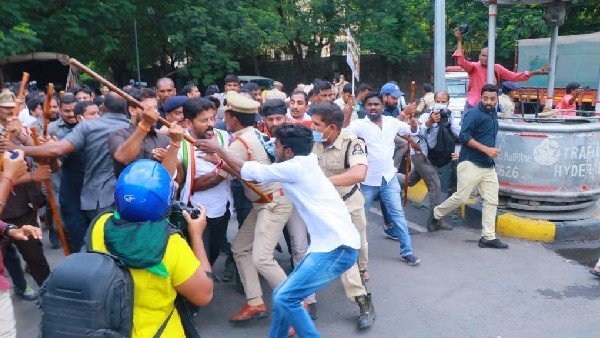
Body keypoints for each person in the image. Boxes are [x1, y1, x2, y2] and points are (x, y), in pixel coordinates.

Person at [196, 124, 361, 338]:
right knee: (283, 297)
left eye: (278, 145)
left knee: (285, 298)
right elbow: (251, 175)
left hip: (337, 248)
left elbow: (251, 171)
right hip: (332, 246)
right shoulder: (306, 160)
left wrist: (220, 150)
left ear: (289, 151)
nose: (273, 147)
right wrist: (221, 158)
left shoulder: (295, 167)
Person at [87, 159, 213, 337]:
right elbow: (203, 295)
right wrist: (196, 236)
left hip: (108, 329)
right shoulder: (170, 244)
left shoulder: (99, 225)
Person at [215, 91, 293, 322]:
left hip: (272, 203)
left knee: (262, 259)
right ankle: (255, 303)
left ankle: (296, 306)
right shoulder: (255, 133)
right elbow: (241, 172)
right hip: (266, 202)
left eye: (226, 114)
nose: (225, 118)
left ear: (233, 118)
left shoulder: (239, 142)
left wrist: (215, 159)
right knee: (240, 248)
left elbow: (220, 175)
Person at [311, 102, 376, 329]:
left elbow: (359, 173)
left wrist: (324, 182)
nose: (313, 127)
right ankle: (363, 301)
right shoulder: (313, 143)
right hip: (329, 210)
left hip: (350, 203)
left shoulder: (353, 143)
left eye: (316, 124)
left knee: (361, 249)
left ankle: (362, 269)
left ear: (331, 127)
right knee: (345, 255)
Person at [18, 92, 131, 220]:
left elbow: (56, 150)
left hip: (106, 196)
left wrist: (18, 148)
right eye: (67, 111)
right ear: (79, 117)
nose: (70, 114)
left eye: (96, 113)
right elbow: (55, 159)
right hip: (73, 193)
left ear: (103, 109)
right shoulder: (56, 129)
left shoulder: (131, 129)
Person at [429, 84, 509, 249]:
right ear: (481, 97)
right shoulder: (474, 114)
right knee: (462, 197)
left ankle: (488, 237)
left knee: (492, 200)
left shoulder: (494, 113)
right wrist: (486, 149)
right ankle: (436, 213)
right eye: (485, 98)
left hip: (487, 166)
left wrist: (489, 153)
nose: (488, 102)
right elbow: (464, 136)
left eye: (492, 99)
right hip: (470, 163)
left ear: (497, 99)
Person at [347, 92, 421, 266]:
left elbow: (412, 130)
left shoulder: (391, 122)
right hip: (367, 181)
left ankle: (407, 251)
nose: (373, 107)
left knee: (398, 215)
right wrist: (347, 112)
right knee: (359, 218)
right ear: (365, 108)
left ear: (381, 106)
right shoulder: (359, 125)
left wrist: (412, 121)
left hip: (389, 178)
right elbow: (343, 133)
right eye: (369, 105)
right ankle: (352, 255)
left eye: (376, 104)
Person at [176, 97, 231, 267]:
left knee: (214, 253)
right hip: (194, 212)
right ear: (189, 122)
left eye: (212, 118)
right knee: (200, 257)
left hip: (222, 208)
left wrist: (218, 169)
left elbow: (232, 167)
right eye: (204, 120)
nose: (210, 123)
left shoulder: (223, 137)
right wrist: (218, 174)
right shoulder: (179, 143)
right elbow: (180, 182)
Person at [0, 150, 44, 338]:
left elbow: (51, 162)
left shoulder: (12, 139)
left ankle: (48, 296)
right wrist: (14, 176)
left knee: (36, 257)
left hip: (20, 214)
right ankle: (20, 284)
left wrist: (7, 230)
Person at [453, 28, 549, 111]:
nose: (485, 58)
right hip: (473, 105)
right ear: (479, 56)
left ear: (492, 57)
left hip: (490, 106)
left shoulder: (497, 68)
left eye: (488, 56)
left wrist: (537, 71)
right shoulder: (473, 67)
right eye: (483, 55)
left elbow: (515, 77)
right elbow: (461, 61)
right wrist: (459, 41)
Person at [52, 100, 101, 252]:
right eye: (92, 114)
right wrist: (53, 153)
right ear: (80, 118)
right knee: (81, 246)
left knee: (100, 243)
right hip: (74, 203)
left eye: (98, 113)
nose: (98, 117)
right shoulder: (68, 140)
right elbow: (55, 167)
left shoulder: (105, 136)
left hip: (97, 202)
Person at [410, 91, 460, 231]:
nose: (441, 104)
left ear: (448, 103)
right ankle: (435, 220)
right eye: (438, 101)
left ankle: (387, 180)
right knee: (435, 184)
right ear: (434, 102)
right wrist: (430, 122)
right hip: (420, 154)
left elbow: (457, 132)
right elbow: (416, 131)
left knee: (410, 181)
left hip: (432, 156)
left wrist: (471, 136)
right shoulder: (426, 115)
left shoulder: (449, 116)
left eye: (444, 102)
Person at [107, 88, 180, 178]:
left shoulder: (163, 138)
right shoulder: (118, 134)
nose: (155, 112)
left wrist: (175, 144)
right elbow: (123, 157)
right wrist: (145, 125)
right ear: (132, 110)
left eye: (156, 108)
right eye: (149, 108)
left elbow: (169, 176)